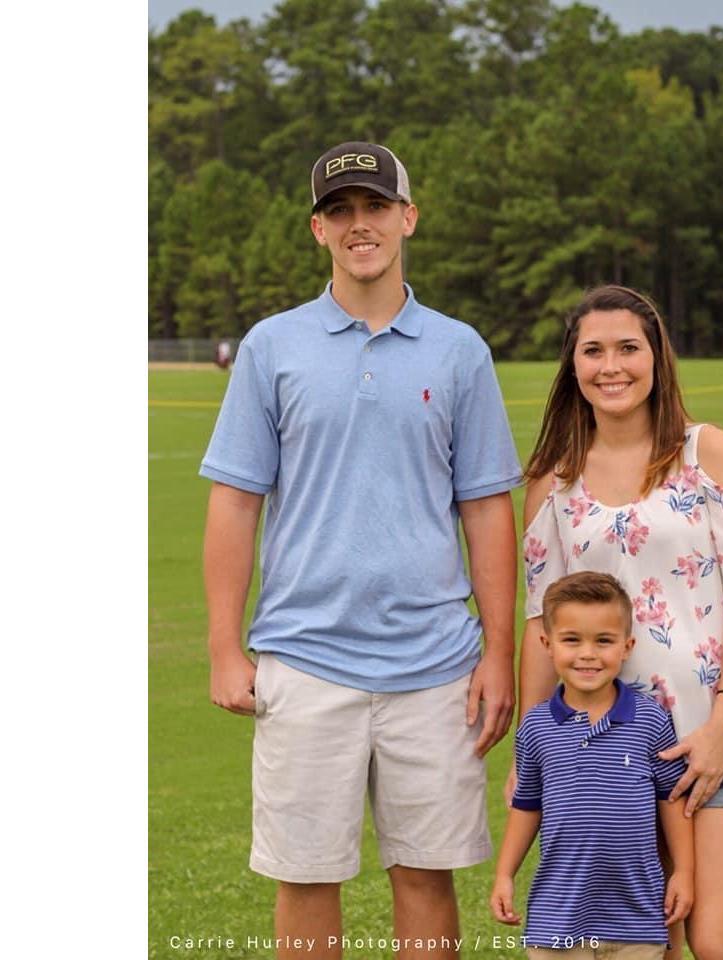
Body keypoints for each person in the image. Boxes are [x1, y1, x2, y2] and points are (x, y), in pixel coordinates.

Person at [199, 140, 522, 960]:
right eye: (340, 211)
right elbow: (235, 502)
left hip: (435, 664)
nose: (360, 224)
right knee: (306, 880)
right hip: (305, 658)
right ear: (319, 229)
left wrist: (499, 653)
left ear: (408, 217)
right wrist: (223, 648)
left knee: (424, 876)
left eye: (376, 206)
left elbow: (486, 508)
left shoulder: (459, 349)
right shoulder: (272, 346)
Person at [517, 285, 723, 960]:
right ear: (573, 364)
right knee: (647, 939)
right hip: (607, 750)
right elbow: (540, 622)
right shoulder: (552, 483)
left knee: (714, 936)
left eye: (628, 348)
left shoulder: (709, 453)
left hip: (721, 729)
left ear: (657, 357)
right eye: (593, 351)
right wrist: (530, 751)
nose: (612, 366)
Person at [490, 572, 694, 960]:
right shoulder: (536, 727)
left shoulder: (650, 721)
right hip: (557, 920)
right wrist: (504, 875)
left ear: (627, 646)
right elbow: (526, 806)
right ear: (547, 645)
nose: (588, 653)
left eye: (603, 641)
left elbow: (671, 800)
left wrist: (683, 872)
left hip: (637, 919)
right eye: (572, 640)